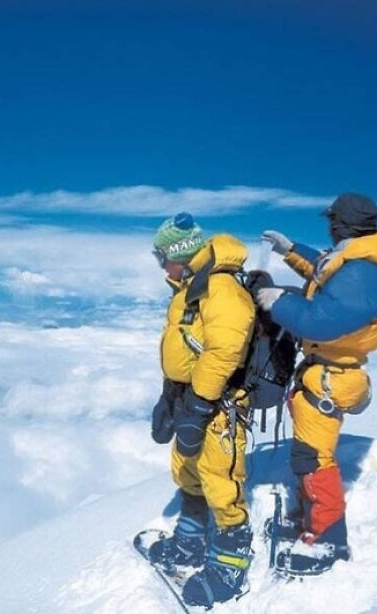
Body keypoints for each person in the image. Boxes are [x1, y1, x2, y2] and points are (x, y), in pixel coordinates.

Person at [257, 193, 377, 575]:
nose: (328, 227)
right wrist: (291, 250)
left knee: (314, 460)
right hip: (328, 371)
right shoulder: (358, 258)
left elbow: (321, 320)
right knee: (308, 456)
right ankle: (307, 516)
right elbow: (325, 270)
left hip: (332, 375)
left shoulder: (363, 272)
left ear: (339, 224)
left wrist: (277, 302)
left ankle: (326, 538)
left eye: (331, 221)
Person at [148, 212, 256, 608]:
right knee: (187, 470)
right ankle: (191, 541)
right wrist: (168, 395)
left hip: (218, 405)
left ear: (180, 253)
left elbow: (225, 350)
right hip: (188, 398)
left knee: (220, 479)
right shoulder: (190, 287)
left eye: (162, 256)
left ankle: (230, 563)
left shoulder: (221, 288)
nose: (161, 265)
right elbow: (185, 347)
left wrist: (198, 404)